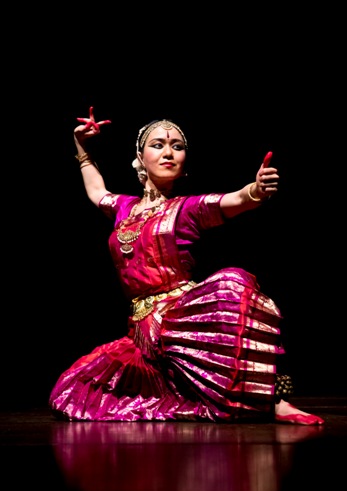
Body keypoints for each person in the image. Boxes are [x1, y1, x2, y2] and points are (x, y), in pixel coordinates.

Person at [49, 106, 324, 425]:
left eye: (177, 146)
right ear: (140, 158)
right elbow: (97, 191)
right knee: (72, 391)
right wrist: (81, 146)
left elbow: (235, 200)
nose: (168, 152)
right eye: (158, 145)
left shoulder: (187, 209)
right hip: (141, 332)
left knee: (231, 284)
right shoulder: (123, 207)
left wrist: (256, 190)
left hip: (181, 324)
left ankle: (273, 401)